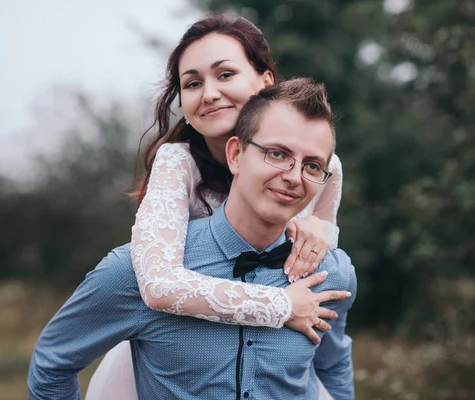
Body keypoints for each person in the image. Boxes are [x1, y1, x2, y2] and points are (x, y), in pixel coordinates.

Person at [28, 77, 357, 400]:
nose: (293, 177)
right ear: (236, 156)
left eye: (312, 166)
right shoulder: (134, 271)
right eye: (276, 153)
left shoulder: (333, 273)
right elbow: (53, 363)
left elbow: (332, 365)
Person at [86, 14, 346, 400]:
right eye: (193, 83)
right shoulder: (178, 163)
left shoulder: (321, 164)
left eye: (225, 75)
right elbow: (157, 284)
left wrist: (318, 230)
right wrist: (280, 306)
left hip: (271, 359)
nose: (208, 93)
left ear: (265, 82)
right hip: (179, 357)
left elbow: (326, 242)